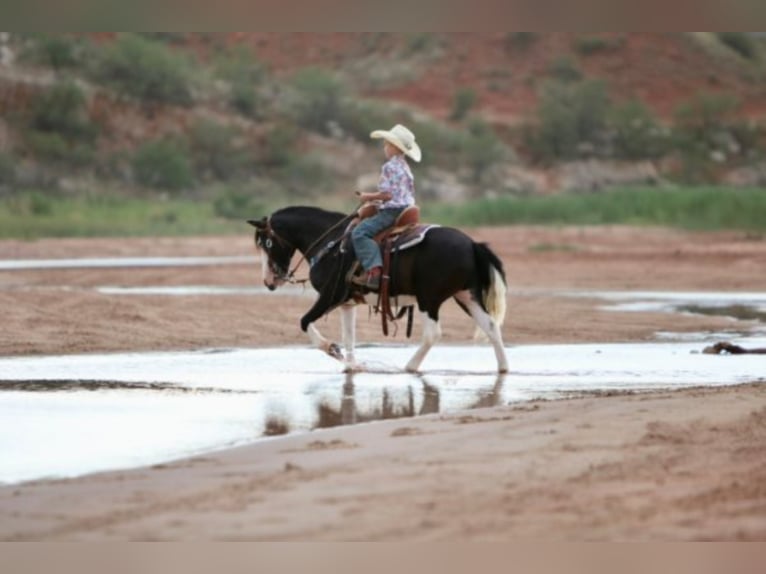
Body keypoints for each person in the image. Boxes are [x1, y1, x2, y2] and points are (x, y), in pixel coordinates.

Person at [351, 124, 421, 290]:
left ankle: (373, 271)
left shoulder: (389, 166)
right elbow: (397, 193)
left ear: (394, 147)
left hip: (392, 212)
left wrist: (368, 197)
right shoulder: (405, 166)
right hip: (405, 208)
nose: (384, 147)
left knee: (359, 233)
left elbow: (388, 195)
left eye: (386, 144)